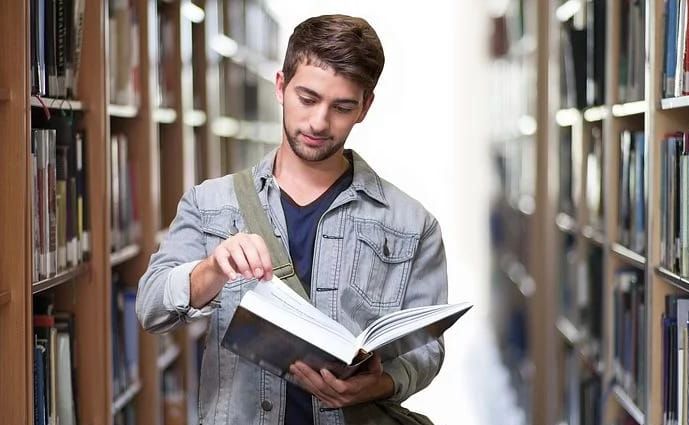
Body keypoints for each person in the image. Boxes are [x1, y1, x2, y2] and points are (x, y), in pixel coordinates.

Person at [136, 14, 448, 425]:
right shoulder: (211, 203)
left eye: (342, 107)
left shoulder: (412, 224)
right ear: (281, 86)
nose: (319, 122)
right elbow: (151, 308)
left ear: (365, 107)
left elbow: (427, 350)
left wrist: (380, 384)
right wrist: (211, 268)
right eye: (308, 98)